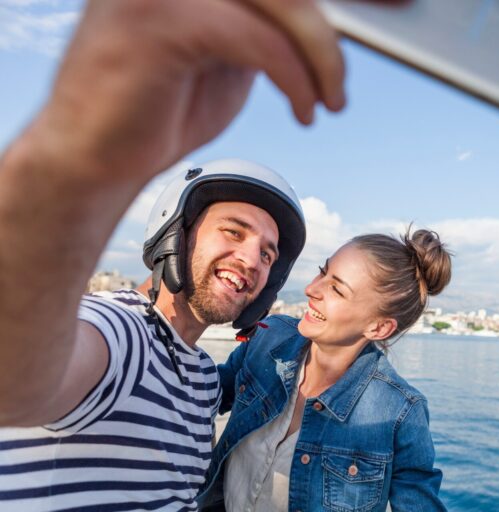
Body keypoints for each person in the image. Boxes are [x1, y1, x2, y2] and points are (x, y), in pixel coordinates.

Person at [0, 0, 346, 510]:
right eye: (233, 231)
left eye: (268, 254)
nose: (251, 259)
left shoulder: (204, 379)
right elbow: (15, 378)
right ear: (174, 235)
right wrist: (81, 148)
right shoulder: (121, 333)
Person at [197, 228, 452, 512]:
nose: (311, 289)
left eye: (337, 289)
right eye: (323, 272)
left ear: (379, 327)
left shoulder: (400, 411)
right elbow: (203, 390)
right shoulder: (269, 337)